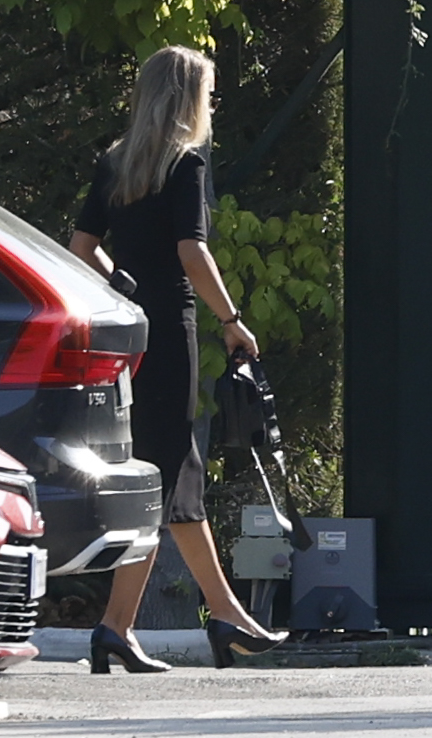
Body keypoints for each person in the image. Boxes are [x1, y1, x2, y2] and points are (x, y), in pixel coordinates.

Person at [70, 46, 287, 671]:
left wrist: (124, 283)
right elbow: (192, 250)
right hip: (174, 325)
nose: (211, 104)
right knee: (165, 472)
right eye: (208, 93)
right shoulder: (184, 161)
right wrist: (232, 321)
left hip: (132, 329)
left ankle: (173, 622)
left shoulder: (116, 162)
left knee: (171, 472)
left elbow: (82, 247)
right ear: (189, 97)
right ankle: (196, 620)